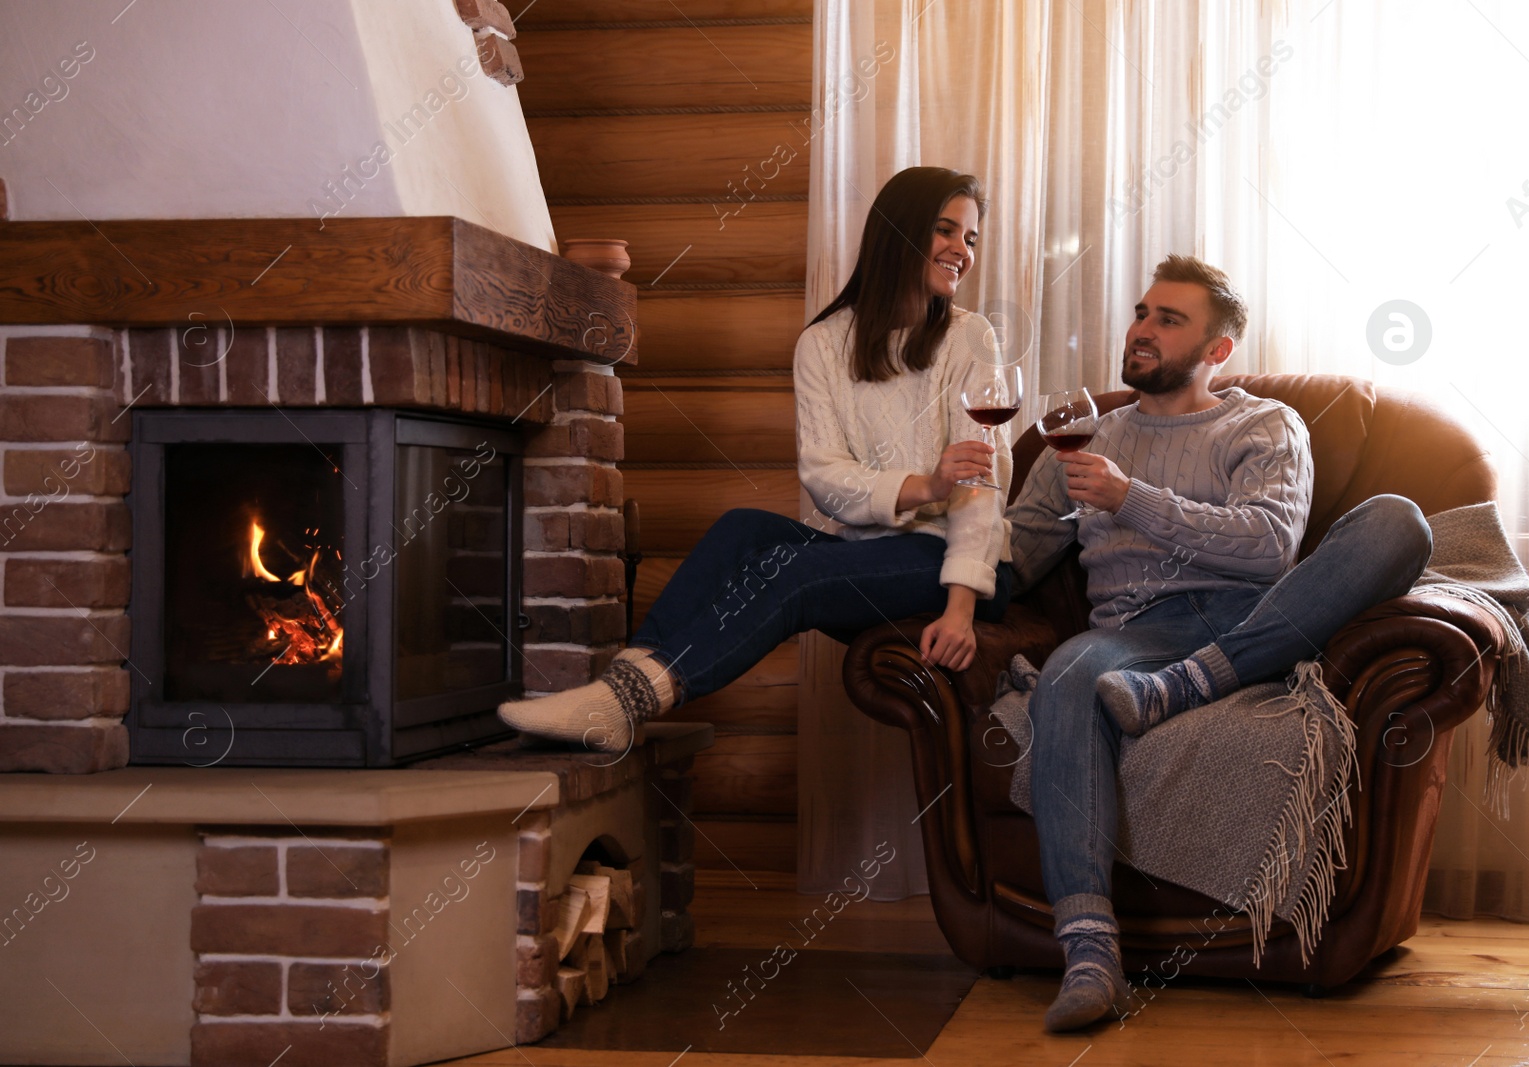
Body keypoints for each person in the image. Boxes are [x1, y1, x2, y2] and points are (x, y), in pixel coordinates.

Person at [1005, 255, 1433, 1031]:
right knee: (1067, 674)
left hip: (1254, 621)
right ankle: (1090, 953)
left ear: (1218, 350)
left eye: (1169, 320)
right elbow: (1017, 556)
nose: (1142, 329)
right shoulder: (1084, 435)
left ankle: (1194, 682)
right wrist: (957, 511)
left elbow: (1270, 547)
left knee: (1399, 520)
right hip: (1132, 638)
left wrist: (1131, 498)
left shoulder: (1264, 425)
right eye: (1141, 312)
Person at [500, 167, 1014, 753]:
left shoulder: (971, 339)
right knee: (743, 529)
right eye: (946, 231)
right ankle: (622, 689)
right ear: (898, 232)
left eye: (971, 238)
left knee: (794, 571)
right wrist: (924, 484)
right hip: (869, 555)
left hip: (956, 565)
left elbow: (982, 488)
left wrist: (960, 608)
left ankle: (622, 704)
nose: (961, 251)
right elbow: (826, 476)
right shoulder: (823, 344)